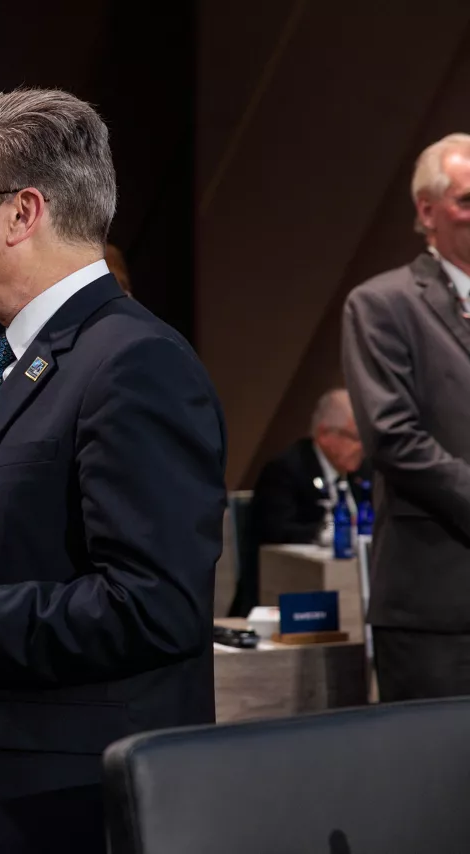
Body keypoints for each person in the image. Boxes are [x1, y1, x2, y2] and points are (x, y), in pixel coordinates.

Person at [0, 88, 227, 854]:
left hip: (53, 808)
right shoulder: (27, 357)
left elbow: (154, 605)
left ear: (22, 212)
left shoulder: (135, 363)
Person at [342, 132, 470, 703]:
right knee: (438, 788)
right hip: (436, 607)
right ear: (427, 210)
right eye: (468, 201)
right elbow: (394, 438)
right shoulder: (382, 304)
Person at [238, 389, 370, 615]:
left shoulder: (364, 473)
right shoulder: (286, 470)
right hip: (285, 597)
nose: (363, 447)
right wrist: (327, 532)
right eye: (355, 437)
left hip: (353, 590)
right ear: (324, 434)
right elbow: (275, 531)